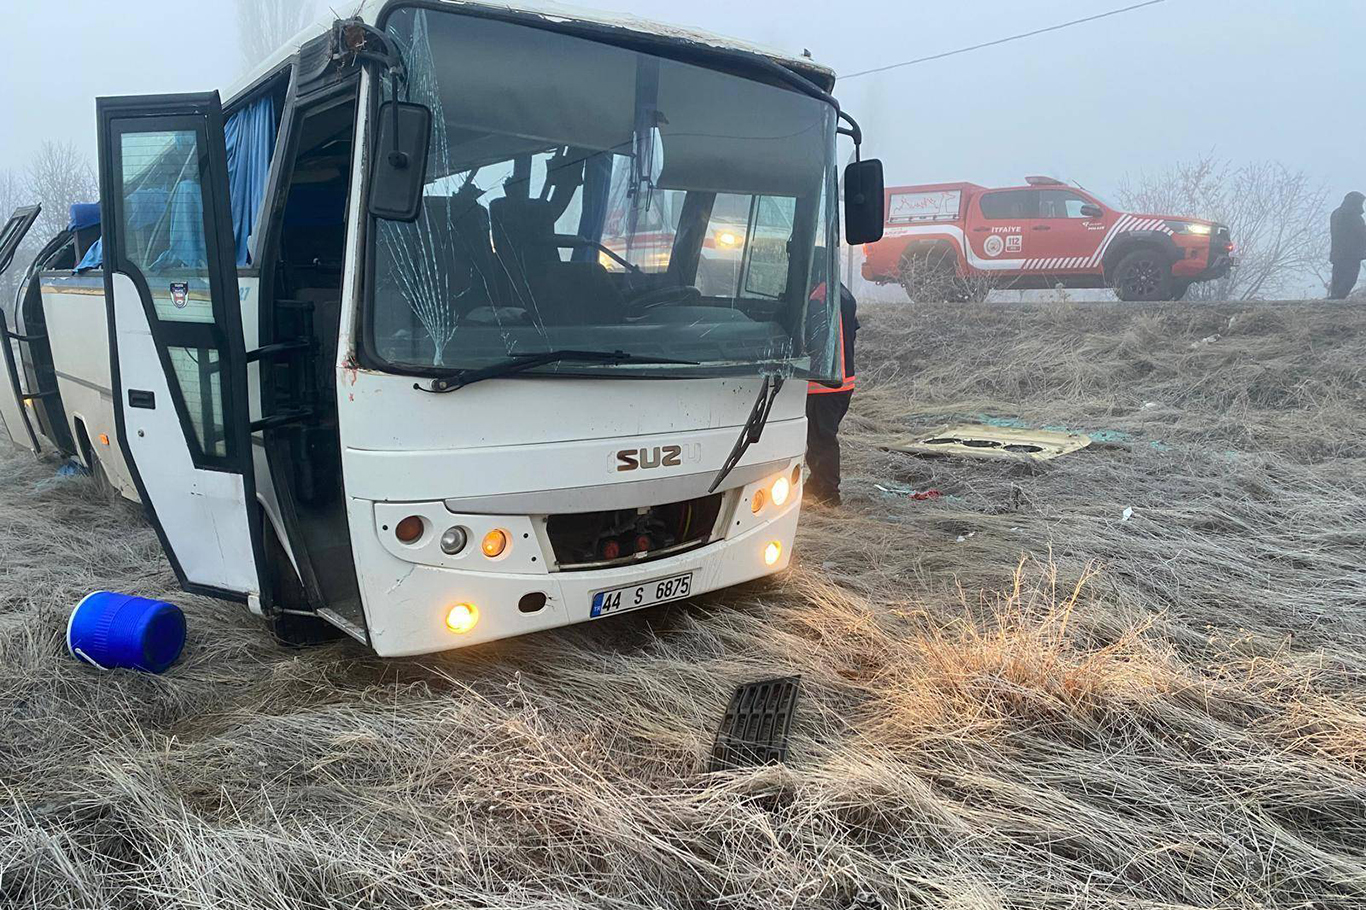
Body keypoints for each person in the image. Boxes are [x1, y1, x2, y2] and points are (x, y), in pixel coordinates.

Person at [806, 282, 857, 506]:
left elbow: (806, 332)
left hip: (824, 383)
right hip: (842, 382)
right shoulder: (841, 291)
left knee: (822, 439)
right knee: (819, 437)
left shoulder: (819, 295)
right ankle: (816, 483)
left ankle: (829, 495)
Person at [1329, 191, 1366, 300]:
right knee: (1349, 278)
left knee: (1338, 277)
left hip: (1337, 254)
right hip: (1352, 256)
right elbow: (1362, 234)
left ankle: (1335, 298)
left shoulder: (1335, 214)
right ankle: (1338, 299)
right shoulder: (1354, 217)